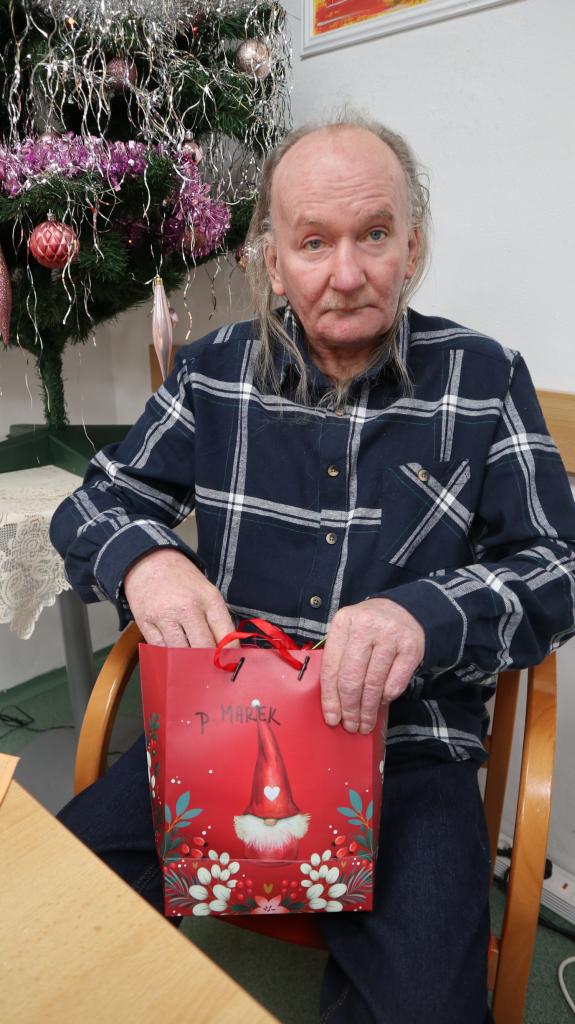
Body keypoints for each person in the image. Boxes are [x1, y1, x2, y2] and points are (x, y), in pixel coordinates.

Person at [51, 114, 575, 1024]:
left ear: (412, 247)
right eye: (313, 242)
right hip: (219, 734)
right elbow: (95, 502)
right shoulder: (211, 373)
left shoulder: (485, 377)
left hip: (408, 752)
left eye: (373, 234)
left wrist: (422, 614)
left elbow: (555, 566)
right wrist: (146, 561)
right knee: (41, 917)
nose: (346, 273)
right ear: (271, 261)